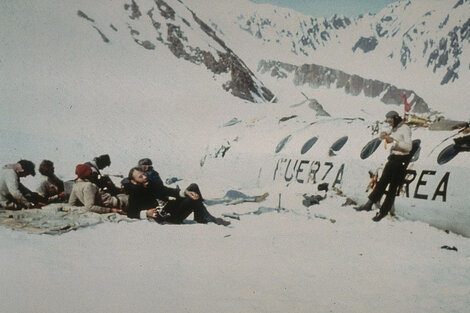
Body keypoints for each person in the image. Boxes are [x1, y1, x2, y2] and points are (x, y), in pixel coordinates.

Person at [355, 110, 412, 222]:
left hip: (401, 161)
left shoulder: (405, 129)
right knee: (381, 183)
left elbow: (408, 147)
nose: (389, 123)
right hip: (392, 159)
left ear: (395, 118)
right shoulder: (394, 128)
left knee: (392, 188)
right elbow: (385, 135)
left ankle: (383, 212)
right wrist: (382, 136)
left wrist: (394, 142)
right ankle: (369, 204)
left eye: (390, 121)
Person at [126, 167, 230, 225]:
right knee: (192, 200)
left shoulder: (151, 184)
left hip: (173, 207)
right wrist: (146, 213)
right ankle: (205, 218)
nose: (145, 177)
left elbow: (169, 191)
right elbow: (130, 213)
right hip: (169, 217)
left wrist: (186, 192)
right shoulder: (135, 192)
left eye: (144, 174)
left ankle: (201, 216)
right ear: (134, 181)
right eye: (141, 177)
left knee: (192, 188)